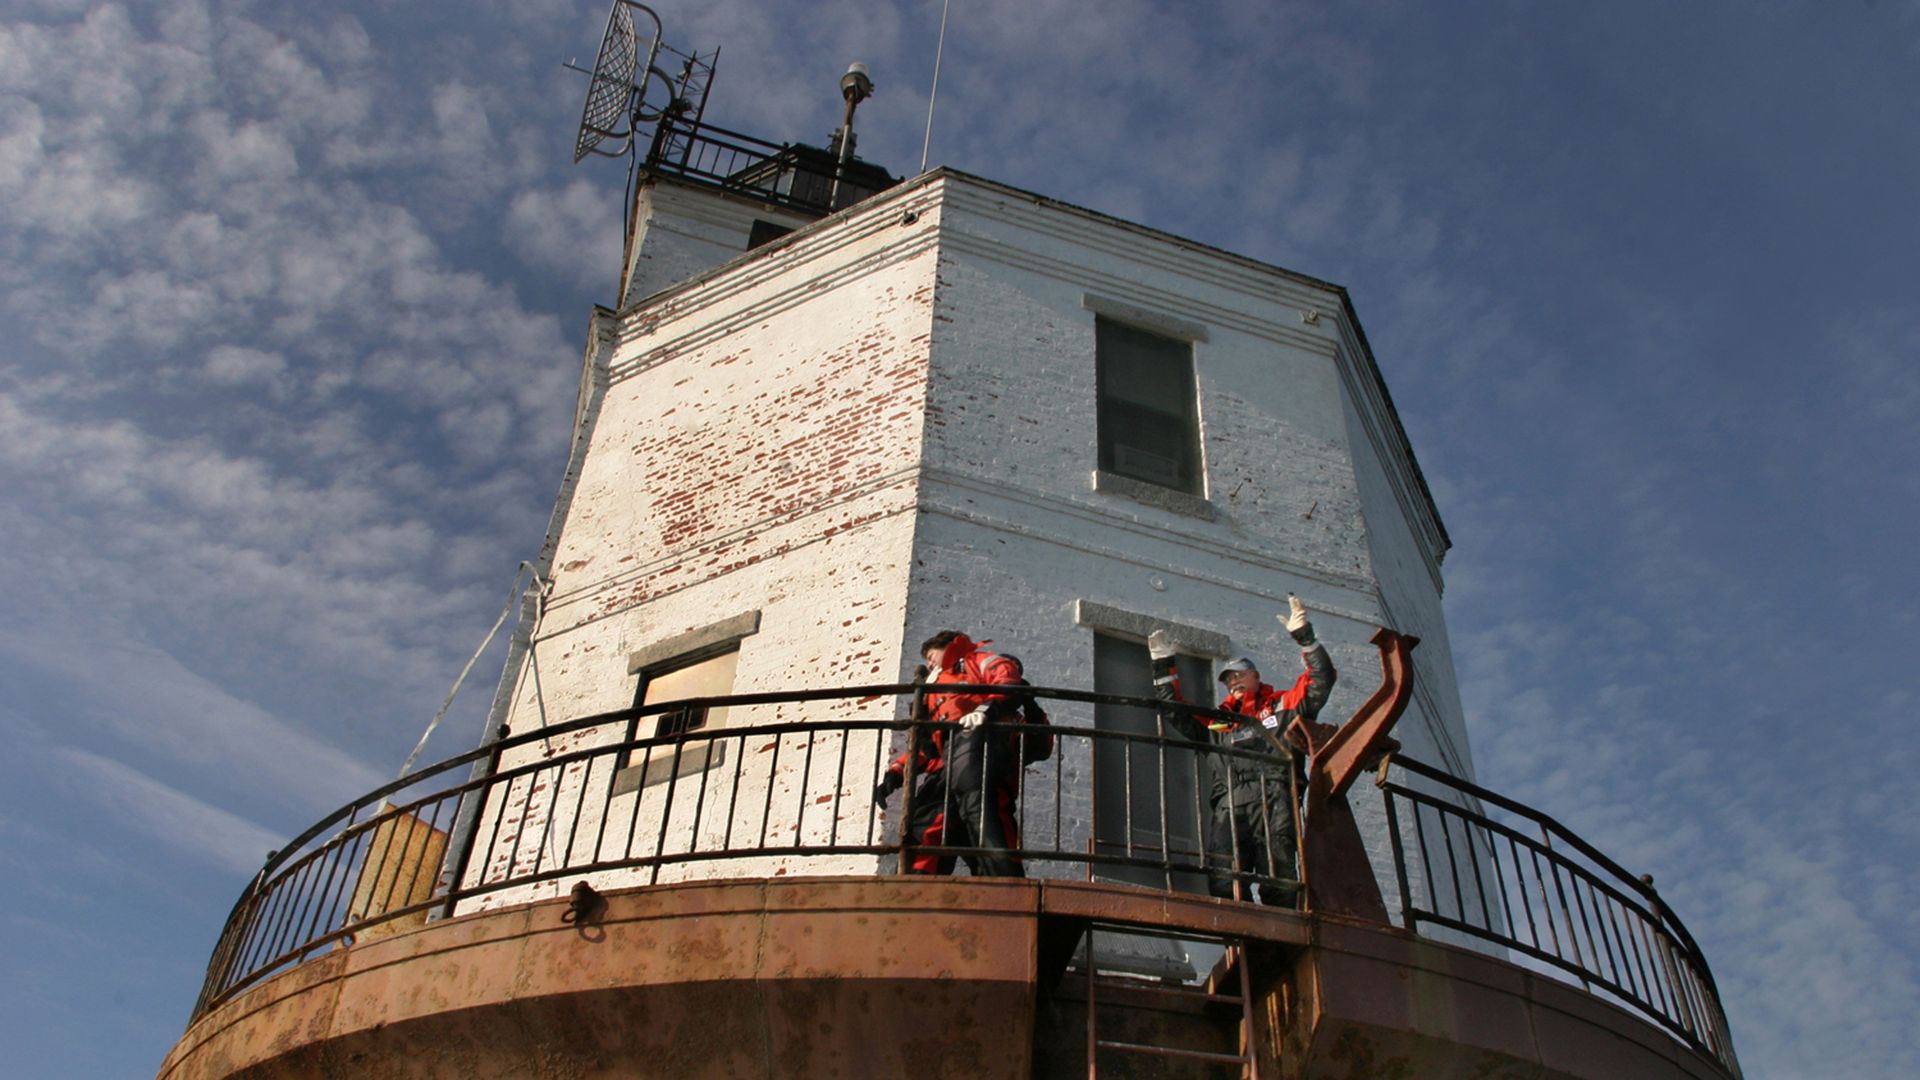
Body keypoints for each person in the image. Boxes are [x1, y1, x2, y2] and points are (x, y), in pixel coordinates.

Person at [1149, 595, 1336, 906]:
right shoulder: (1218, 722)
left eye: (1239, 674)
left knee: (1279, 875)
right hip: (1229, 801)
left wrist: (1305, 638)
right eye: (1228, 678)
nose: (1233, 680)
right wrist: (1161, 663)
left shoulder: (1283, 705)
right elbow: (1175, 712)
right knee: (1223, 879)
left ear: (1256, 677)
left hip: (1275, 795)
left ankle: (1282, 938)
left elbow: (1321, 681)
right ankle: (1239, 941)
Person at [873, 630, 1029, 877]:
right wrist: (896, 773)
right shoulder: (932, 691)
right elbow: (928, 747)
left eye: (932, 655)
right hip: (946, 765)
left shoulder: (973, 662)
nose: (929, 662)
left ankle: (1005, 883)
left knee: (984, 817)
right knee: (926, 823)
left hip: (979, 750)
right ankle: (916, 887)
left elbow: (1005, 675)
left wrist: (988, 709)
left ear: (947, 646)